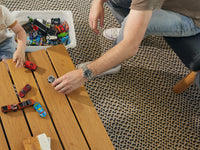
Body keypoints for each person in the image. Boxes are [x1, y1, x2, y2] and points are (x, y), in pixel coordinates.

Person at [52, 0, 200, 94]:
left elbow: (129, 47)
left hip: (191, 16)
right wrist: (97, 2)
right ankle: (133, 29)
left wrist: (85, 74)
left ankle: (115, 61)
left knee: (130, 33)